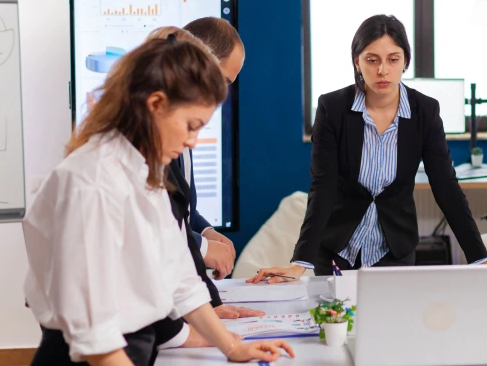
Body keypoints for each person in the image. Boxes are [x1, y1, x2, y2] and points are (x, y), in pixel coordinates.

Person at [23, 36, 294, 365]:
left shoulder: (144, 171)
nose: (192, 141)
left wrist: (232, 348)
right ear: (155, 104)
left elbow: (181, 280)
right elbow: (97, 339)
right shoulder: (91, 181)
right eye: (191, 126)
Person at [248, 14, 487, 283]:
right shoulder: (333, 109)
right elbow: (323, 187)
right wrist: (301, 261)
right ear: (357, 62)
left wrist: (478, 258)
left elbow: (446, 187)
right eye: (372, 60)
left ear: (405, 62)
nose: (382, 70)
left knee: (391, 324)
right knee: (335, 325)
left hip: (394, 249)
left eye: (393, 59)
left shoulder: (424, 111)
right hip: (336, 248)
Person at [143, 26, 259, 353]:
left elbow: (176, 268)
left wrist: (227, 343)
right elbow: (100, 332)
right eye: (191, 126)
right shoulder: (100, 179)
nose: (193, 141)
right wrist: (205, 336)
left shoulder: (149, 161)